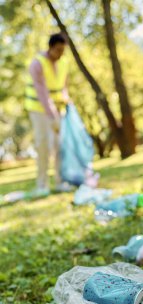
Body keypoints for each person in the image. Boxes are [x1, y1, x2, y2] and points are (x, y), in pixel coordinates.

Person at [25, 33, 70, 194]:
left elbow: (64, 86)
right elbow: (42, 92)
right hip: (39, 110)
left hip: (58, 110)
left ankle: (60, 181)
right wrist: (52, 116)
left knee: (60, 146)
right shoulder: (37, 64)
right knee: (43, 146)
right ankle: (42, 185)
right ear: (50, 48)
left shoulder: (64, 62)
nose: (60, 54)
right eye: (58, 50)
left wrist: (66, 100)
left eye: (63, 51)